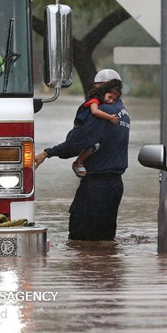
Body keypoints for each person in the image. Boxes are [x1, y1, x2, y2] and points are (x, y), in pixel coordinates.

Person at [34, 69, 130, 241]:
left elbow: (75, 143)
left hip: (96, 187)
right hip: (115, 186)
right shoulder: (122, 110)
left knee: (81, 241)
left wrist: (47, 153)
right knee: (105, 243)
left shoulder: (102, 111)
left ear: (99, 86)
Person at [71, 78, 123, 177]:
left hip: (85, 127)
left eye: (114, 100)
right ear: (104, 93)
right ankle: (78, 162)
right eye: (109, 97)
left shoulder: (102, 102)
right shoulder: (94, 100)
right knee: (95, 145)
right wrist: (110, 117)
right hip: (81, 129)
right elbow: (95, 111)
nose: (111, 101)